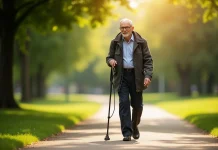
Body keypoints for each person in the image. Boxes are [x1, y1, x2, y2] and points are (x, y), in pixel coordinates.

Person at [106, 18, 153, 141]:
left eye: (127, 27)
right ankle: (127, 133)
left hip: (137, 77)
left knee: (137, 106)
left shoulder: (142, 42)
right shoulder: (115, 42)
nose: (124, 29)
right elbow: (109, 57)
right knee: (124, 103)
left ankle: (134, 125)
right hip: (121, 77)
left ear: (132, 28)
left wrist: (147, 76)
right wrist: (111, 61)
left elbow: (148, 60)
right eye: (122, 27)